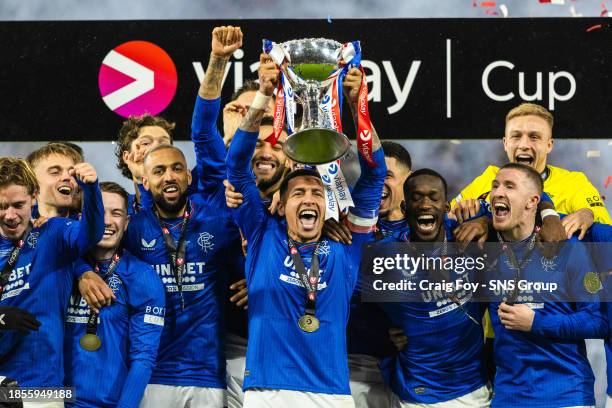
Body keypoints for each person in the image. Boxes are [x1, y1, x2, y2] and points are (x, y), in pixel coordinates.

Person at [226, 52, 386, 406]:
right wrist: (264, 94)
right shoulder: (262, 235)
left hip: (331, 394)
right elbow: (237, 167)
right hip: (267, 392)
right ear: (281, 205)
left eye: (317, 192)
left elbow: (376, 172)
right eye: (298, 192)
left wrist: (358, 106)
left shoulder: (347, 247)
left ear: (328, 204)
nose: (309, 198)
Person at [117, 144, 241, 408]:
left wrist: (254, 283)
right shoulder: (132, 229)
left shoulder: (219, 221)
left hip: (208, 375)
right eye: (159, 171)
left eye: (176, 168)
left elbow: (258, 248)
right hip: (152, 374)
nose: (169, 176)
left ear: (188, 176)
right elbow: (93, 256)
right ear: (145, 182)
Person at [486, 163, 606, 407]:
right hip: (508, 397)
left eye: (509, 186)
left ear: (533, 202)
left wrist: (536, 323)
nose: (497, 192)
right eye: (495, 185)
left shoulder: (570, 248)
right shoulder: (484, 253)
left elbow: (599, 320)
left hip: (566, 396)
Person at [368, 169, 489, 407]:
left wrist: (485, 219)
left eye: (433, 198)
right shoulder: (384, 256)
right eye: (416, 198)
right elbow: (348, 306)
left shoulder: (467, 237)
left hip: (472, 390)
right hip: (417, 395)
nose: (425, 204)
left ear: (446, 207)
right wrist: (385, 335)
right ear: (404, 209)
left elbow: (513, 207)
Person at [0, 157, 103, 401]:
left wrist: (91, 189)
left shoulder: (54, 233)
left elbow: (91, 233)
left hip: (42, 387)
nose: (10, 215)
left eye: (18, 204)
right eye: (2, 206)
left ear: (34, 197)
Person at [64, 182, 165, 408]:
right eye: (99, 211)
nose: (107, 221)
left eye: (116, 213)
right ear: (84, 217)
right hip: (52, 401)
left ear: (126, 222)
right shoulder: (61, 266)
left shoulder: (142, 277)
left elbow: (144, 358)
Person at [452, 102, 611, 239]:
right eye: (516, 136)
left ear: (549, 145)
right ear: (505, 144)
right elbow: (447, 215)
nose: (524, 145)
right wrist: (465, 212)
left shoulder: (573, 182)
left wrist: (588, 215)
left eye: (534, 137)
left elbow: (603, 225)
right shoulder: (488, 177)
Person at [114, 113, 174, 215]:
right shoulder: (118, 207)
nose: (156, 148)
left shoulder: (193, 197)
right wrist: (141, 179)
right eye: (145, 143)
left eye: (163, 143)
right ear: (127, 157)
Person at [26, 143, 84, 219]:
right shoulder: (18, 227)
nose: (67, 177)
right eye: (55, 172)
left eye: (72, 173)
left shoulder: (89, 228)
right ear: (32, 182)